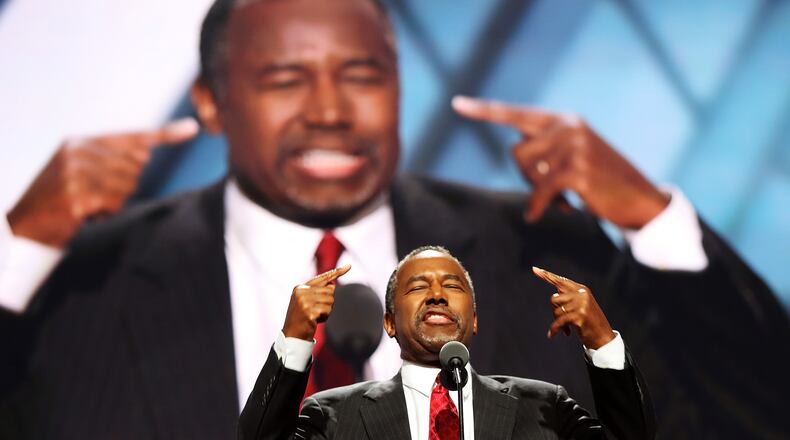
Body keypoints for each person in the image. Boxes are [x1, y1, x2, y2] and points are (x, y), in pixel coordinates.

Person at [0, 0, 787, 438]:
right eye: (285, 78)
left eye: (362, 73)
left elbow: (755, 416)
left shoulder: (541, 254)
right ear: (210, 102)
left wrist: (654, 222)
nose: (332, 111)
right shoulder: (85, 288)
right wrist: (16, 256)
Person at [238, 246, 655, 440]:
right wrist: (294, 338)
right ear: (388, 323)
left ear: (473, 321)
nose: (437, 293)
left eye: (452, 285)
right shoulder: (333, 417)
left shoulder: (543, 408)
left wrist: (602, 341)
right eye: (418, 286)